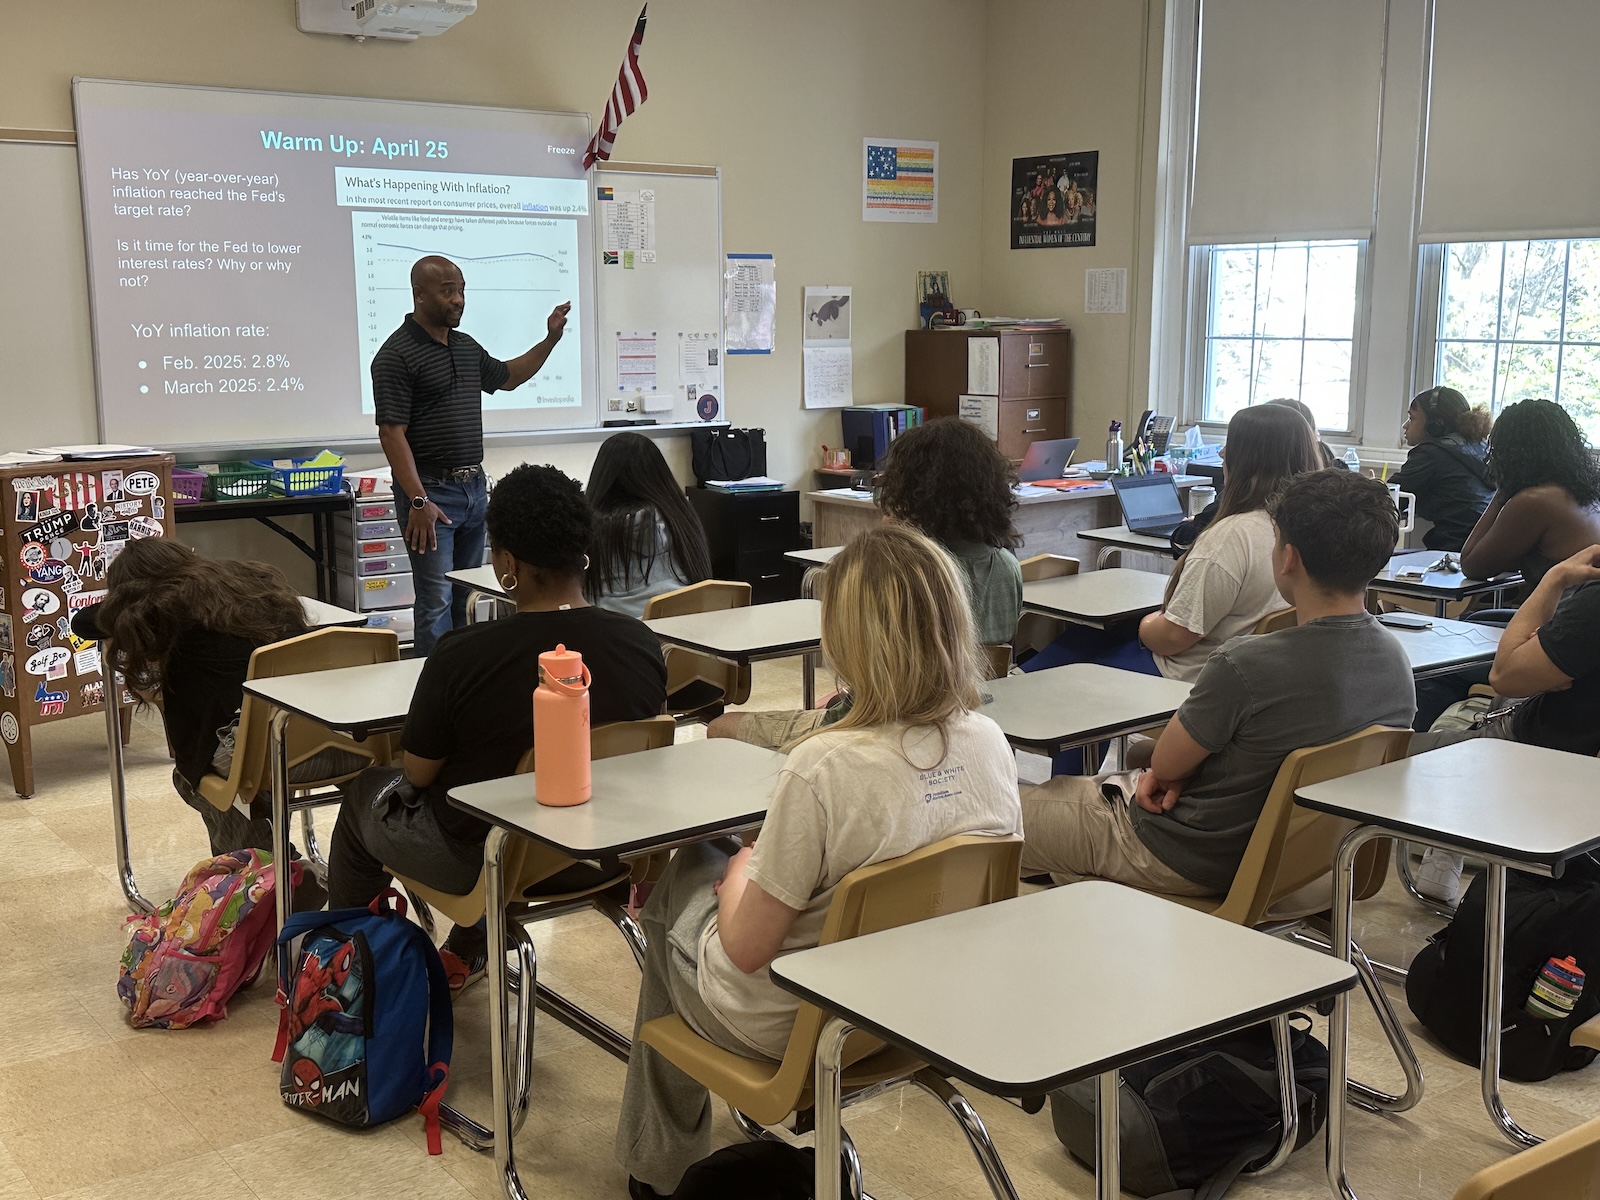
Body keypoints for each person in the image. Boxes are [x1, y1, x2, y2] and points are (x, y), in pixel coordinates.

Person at [613, 525, 1023, 1196]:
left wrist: (738, 876)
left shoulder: (822, 766)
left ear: (847, 638)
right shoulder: (991, 743)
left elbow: (746, 949)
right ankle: (661, 1156)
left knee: (688, 874)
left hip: (798, 1027)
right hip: (922, 1012)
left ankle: (658, 1167)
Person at [326, 464, 667, 985]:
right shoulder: (640, 642)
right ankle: (469, 947)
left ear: (507, 563)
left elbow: (418, 772)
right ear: (583, 552)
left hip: (489, 862)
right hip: (603, 853)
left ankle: (347, 978)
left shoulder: (462, 653)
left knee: (364, 796)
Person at [1020, 469, 1416, 894]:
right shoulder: (1396, 662)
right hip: (1312, 870)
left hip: (1186, 858)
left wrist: (1170, 772)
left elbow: (1166, 766)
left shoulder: (1247, 663)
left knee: (995, 815)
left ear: (1289, 558)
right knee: (1137, 760)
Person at [709, 417, 1022, 749]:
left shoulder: (905, 573)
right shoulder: (1007, 567)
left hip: (883, 729)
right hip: (968, 720)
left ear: (913, 491)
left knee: (722, 726)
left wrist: (891, 530)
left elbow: (870, 674)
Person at [69, 540, 362, 879]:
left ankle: (265, 874)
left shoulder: (158, 609)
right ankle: (281, 869)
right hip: (341, 741)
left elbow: (83, 623)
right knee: (233, 767)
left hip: (266, 756)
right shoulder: (255, 582)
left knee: (196, 775)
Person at [1028, 403, 1322, 681]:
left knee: (1081, 659)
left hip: (1187, 675)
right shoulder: (1306, 529)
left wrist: (1147, 623)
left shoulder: (1232, 537)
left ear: (1250, 461)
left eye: (1230, 445)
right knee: (1091, 635)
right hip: (1253, 670)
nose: (1222, 453)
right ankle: (1024, 679)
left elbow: (1171, 638)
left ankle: (1024, 687)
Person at [372, 254, 572, 656]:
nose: (458, 299)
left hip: (473, 490)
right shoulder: (395, 355)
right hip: (430, 494)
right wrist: (418, 501)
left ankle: (464, 676)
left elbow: (510, 377)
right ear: (419, 294)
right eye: (448, 291)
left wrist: (550, 339)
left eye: (461, 290)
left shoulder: (464, 347)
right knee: (436, 600)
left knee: (467, 595)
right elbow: (392, 433)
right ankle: (433, 682)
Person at [1408, 542, 1600, 902]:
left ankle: (1449, 830)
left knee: (1383, 751)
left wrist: (1555, 578)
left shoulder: (1593, 594)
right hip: (1562, 741)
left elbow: (1505, 674)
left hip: (1539, 754)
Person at [1460, 398, 1600, 587]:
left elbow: (1471, 565)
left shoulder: (1533, 501)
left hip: (1568, 606)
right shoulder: (1585, 492)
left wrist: (1503, 490)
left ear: (1511, 452)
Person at [585, 432, 713, 618]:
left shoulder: (592, 527)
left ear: (603, 477)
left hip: (618, 632)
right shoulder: (681, 516)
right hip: (686, 627)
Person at [1391, 386, 1494, 552]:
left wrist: (1370, 487)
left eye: (1412, 418)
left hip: (1454, 549)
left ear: (1435, 425)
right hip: (1480, 548)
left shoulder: (1430, 454)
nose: (1405, 425)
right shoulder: (1481, 447)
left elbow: (1389, 501)